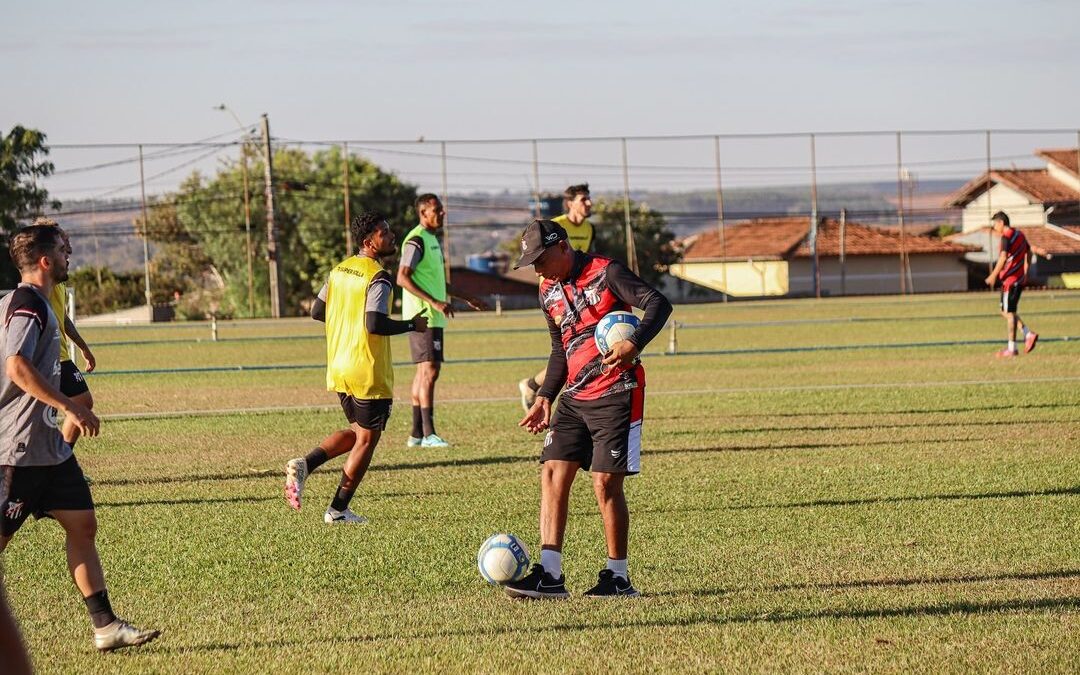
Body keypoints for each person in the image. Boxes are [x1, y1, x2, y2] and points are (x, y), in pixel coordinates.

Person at [0, 224, 159, 651]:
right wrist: (70, 406)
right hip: (17, 450)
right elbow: (15, 366)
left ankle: (105, 626)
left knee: (82, 525)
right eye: (63, 252)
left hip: (48, 449)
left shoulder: (33, 303)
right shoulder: (27, 305)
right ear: (47, 261)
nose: (70, 256)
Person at [505, 219, 672, 599]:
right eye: (531, 262)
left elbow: (659, 304)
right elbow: (559, 350)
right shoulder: (547, 291)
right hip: (574, 398)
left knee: (604, 483)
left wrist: (635, 343)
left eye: (541, 259)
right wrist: (546, 396)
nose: (537, 269)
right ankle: (550, 575)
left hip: (617, 391)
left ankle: (618, 578)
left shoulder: (606, 271)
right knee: (552, 472)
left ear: (562, 247)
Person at [284, 213, 428, 523]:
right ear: (368, 242)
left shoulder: (338, 271)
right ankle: (338, 510)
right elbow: (374, 323)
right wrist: (411, 325)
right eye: (384, 233)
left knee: (356, 433)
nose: (390, 237)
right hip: (366, 369)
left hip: (339, 366)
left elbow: (317, 310)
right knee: (367, 440)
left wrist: (345, 323)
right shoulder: (378, 275)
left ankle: (304, 464)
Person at [397, 194, 486, 448]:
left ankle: (416, 434)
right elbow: (402, 277)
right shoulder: (416, 240)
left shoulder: (431, 240)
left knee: (423, 373)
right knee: (430, 371)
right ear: (423, 213)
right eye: (436, 210)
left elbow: (437, 283)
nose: (442, 213)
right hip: (423, 316)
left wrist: (468, 297)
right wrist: (435, 303)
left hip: (432, 316)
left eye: (442, 209)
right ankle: (428, 434)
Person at [518, 184, 594, 412]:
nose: (589, 203)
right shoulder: (556, 227)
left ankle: (533, 385)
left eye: (589, 199)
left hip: (577, 291)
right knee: (570, 349)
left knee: (577, 348)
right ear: (570, 203)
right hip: (555, 294)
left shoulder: (590, 228)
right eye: (584, 199)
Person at [34, 218, 97, 458]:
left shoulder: (58, 282)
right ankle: (58, 459)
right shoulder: (41, 284)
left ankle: (58, 458)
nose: (68, 248)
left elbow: (64, 319)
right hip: (48, 356)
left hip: (59, 354)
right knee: (79, 403)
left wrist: (83, 347)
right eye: (63, 243)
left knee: (78, 403)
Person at [984, 211, 1038, 357]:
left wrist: (993, 275)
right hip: (1018, 280)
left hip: (1010, 281)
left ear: (1001, 223)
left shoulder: (1005, 238)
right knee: (1007, 312)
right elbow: (1029, 252)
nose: (994, 227)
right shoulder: (1019, 235)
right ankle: (1028, 334)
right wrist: (1025, 270)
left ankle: (1012, 348)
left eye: (995, 224)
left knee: (1008, 313)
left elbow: (1002, 258)